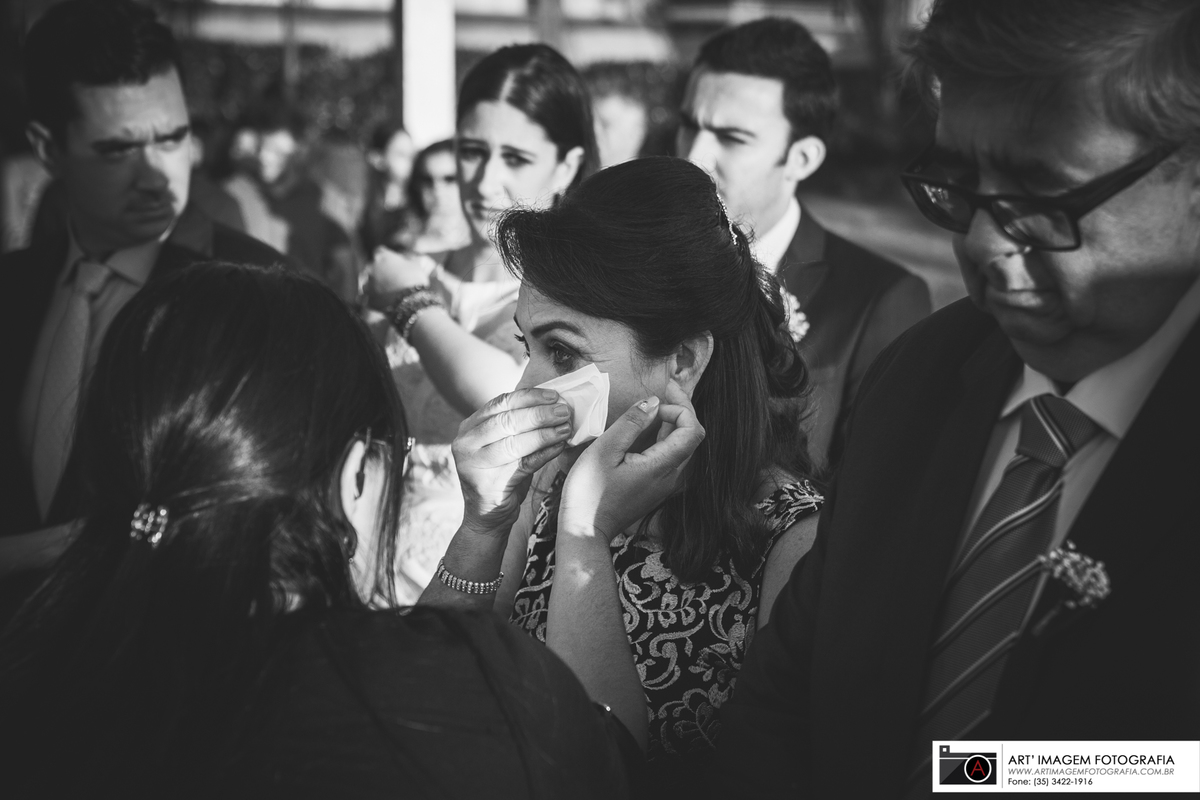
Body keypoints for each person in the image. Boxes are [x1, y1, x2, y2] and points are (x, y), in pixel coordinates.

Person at [717, 1, 1200, 796]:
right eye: (959, 183)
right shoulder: (919, 381)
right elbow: (784, 701)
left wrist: (970, 772)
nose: (981, 243)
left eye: (1042, 194)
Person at [0, 263, 632, 799]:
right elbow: (605, 759)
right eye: (395, 454)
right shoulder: (443, 704)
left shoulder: (40, 659)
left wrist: (484, 530)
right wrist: (585, 531)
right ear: (355, 475)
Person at [421, 158, 825, 787]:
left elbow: (599, 770)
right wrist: (482, 526)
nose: (525, 386)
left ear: (683, 361)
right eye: (528, 347)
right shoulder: (547, 484)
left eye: (563, 352)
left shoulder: (792, 542)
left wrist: (587, 535)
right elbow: (422, 693)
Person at [0, 0, 293, 543]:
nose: (156, 176)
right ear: (48, 149)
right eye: (118, 150)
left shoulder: (264, 290)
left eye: (172, 138)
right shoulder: (14, 290)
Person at [364, 43, 597, 604]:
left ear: (567, 165)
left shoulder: (580, 298)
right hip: (369, 565)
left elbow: (512, 400)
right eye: (472, 151)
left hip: (485, 578)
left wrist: (410, 307)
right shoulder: (409, 270)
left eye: (515, 158)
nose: (486, 180)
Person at [677, 17, 932, 470]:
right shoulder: (638, 261)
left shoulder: (880, 300)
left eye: (732, 138)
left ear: (802, 158)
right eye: (689, 125)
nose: (694, 156)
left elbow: (875, 482)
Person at [401, 138, 471, 254]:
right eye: (427, 180)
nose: (437, 191)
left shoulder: (494, 246)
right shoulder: (401, 245)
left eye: (450, 179)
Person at [358, 122, 418, 255]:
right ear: (377, 159)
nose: (411, 162)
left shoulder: (419, 203)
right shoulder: (362, 203)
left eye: (413, 154)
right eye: (401, 154)